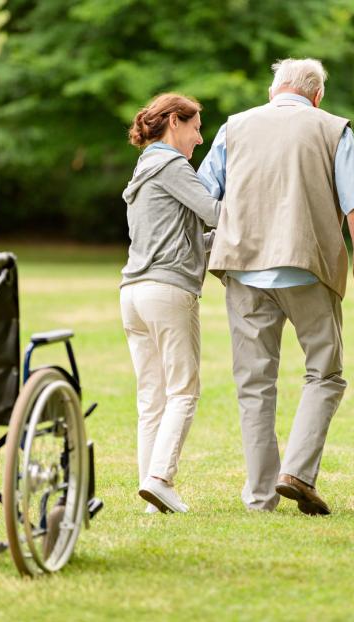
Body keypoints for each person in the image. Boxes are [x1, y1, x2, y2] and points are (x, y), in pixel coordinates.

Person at [198, 58, 354, 515]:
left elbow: (204, 194)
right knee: (325, 371)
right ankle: (297, 471)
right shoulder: (332, 128)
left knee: (254, 384)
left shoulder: (233, 127)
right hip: (308, 267)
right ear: (316, 95)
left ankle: (260, 498)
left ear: (274, 89)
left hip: (242, 268)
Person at [120, 93, 220, 514]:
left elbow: (192, 240)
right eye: (196, 127)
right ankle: (160, 479)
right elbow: (215, 214)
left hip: (133, 294)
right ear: (175, 122)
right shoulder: (173, 165)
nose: (199, 138)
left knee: (152, 399)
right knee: (183, 392)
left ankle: (151, 494)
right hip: (168, 292)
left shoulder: (143, 168)